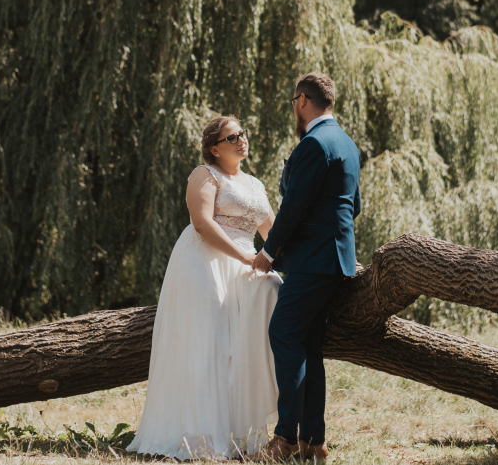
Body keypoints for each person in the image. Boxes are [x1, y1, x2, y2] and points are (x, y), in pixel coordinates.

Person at [128, 115, 283, 460]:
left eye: (242, 134)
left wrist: (284, 259)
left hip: (247, 264)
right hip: (205, 264)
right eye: (232, 138)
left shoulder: (255, 184)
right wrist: (245, 258)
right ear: (214, 148)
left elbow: (273, 233)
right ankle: (201, 436)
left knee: (256, 318)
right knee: (210, 344)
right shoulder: (205, 174)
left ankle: (244, 425)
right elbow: (202, 223)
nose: (241, 140)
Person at [252, 72, 361, 462]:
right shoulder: (346, 144)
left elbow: (294, 206)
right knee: (309, 348)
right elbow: (354, 207)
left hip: (312, 261)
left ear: (301, 101)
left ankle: (284, 440)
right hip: (334, 261)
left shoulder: (314, 144)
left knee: (283, 333)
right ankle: (314, 442)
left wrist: (268, 252)